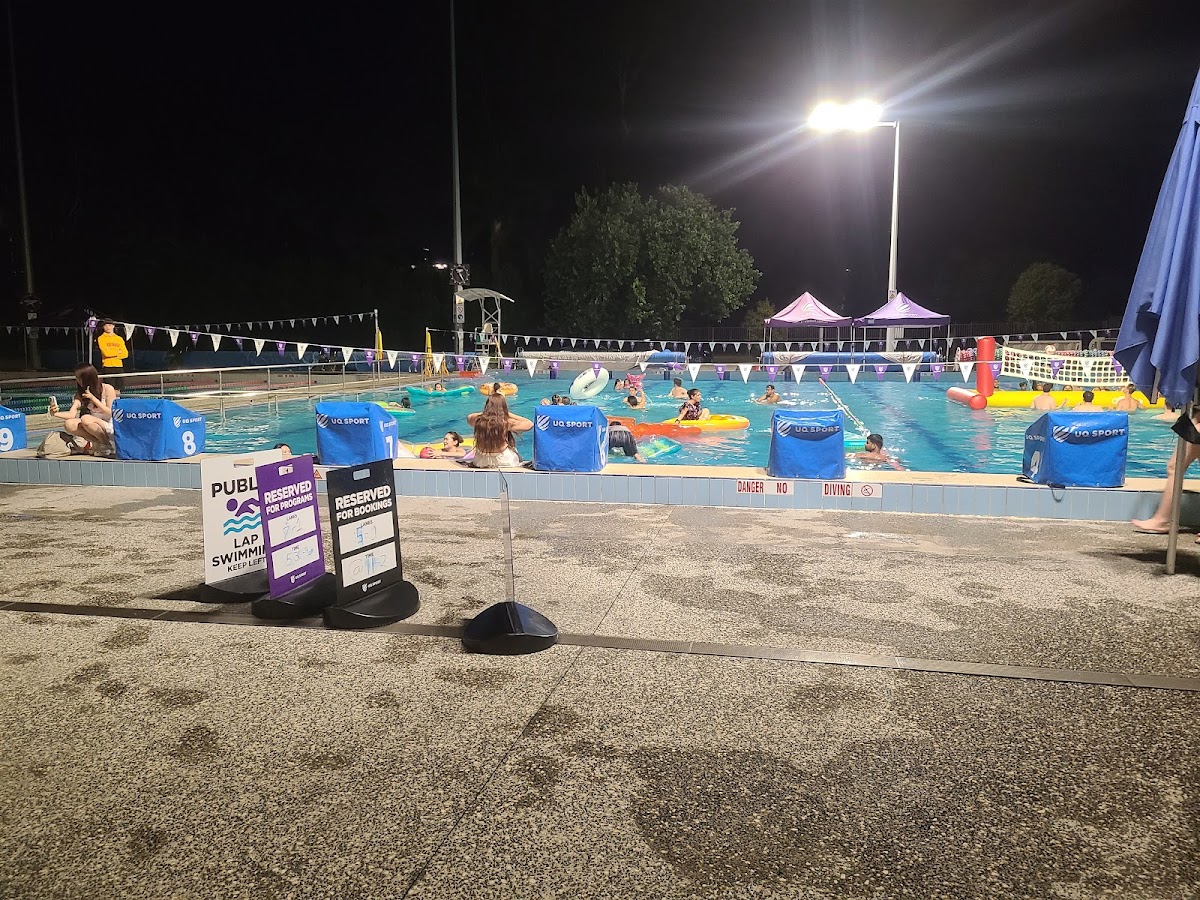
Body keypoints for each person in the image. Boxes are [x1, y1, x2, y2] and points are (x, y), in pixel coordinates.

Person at [48, 363, 117, 454]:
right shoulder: (80, 394)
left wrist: (93, 398)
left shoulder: (108, 389)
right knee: (69, 424)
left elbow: (111, 412)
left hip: (109, 424)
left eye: (78, 377)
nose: (77, 380)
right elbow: (71, 414)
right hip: (94, 426)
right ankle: (101, 443)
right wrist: (55, 413)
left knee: (85, 418)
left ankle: (107, 445)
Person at [466, 393, 532, 468]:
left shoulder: (478, 421)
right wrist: (508, 414)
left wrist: (486, 414)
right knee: (515, 452)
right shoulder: (506, 423)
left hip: (480, 460)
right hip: (503, 460)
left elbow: (469, 417)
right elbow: (529, 424)